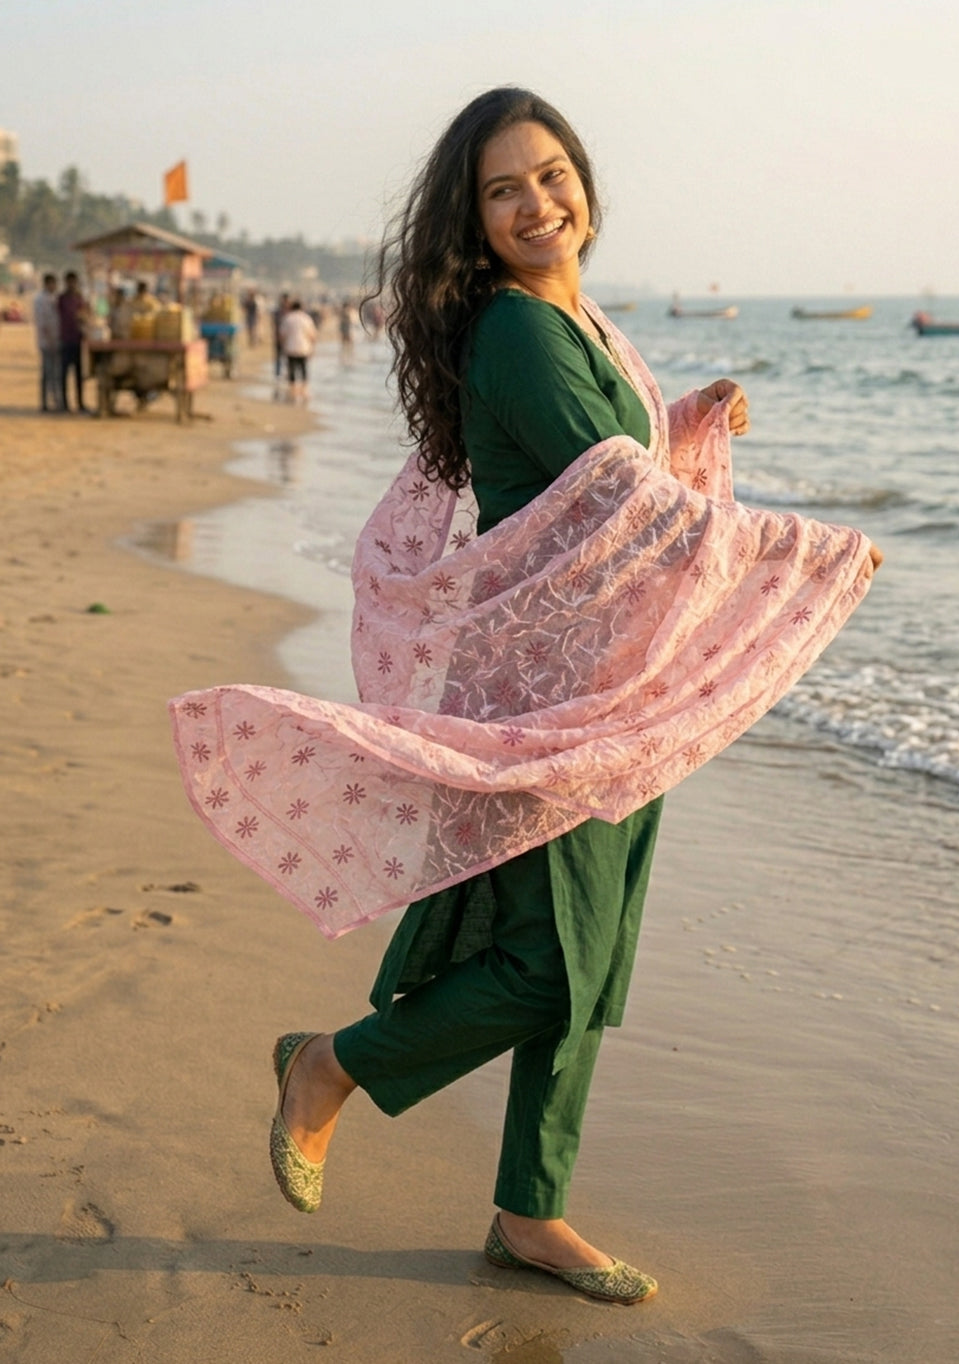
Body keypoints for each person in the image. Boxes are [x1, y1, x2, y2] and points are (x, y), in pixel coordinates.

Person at [171, 88, 880, 1307]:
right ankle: (331, 1066)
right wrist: (801, 551)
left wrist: (689, 420)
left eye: (550, 175)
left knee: (588, 965)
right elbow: (624, 512)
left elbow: (621, 464)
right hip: (549, 701)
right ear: (475, 221)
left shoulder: (580, 320)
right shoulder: (513, 331)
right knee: (550, 966)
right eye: (505, 190)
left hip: (618, 695)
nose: (537, 202)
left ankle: (530, 1208)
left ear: (583, 180)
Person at [57, 270, 89, 413]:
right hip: (65, 339)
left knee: (79, 374)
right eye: (69, 282)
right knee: (64, 374)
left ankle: (80, 403)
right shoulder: (62, 299)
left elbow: (85, 315)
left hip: (78, 339)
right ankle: (64, 403)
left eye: (73, 282)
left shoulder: (79, 298)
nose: (72, 284)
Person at [278, 299, 318, 402]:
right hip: (304, 348)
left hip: (290, 347)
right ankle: (304, 390)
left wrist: (283, 345)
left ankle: (293, 390)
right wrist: (313, 347)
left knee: (292, 369)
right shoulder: (306, 318)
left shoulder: (287, 318)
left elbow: (282, 334)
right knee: (303, 369)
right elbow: (312, 334)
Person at [32, 273, 61, 412]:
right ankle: (45, 402)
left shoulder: (54, 297)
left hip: (56, 340)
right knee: (47, 372)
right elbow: (42, 323)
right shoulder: (40, 299)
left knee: (55, 373)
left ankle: (55, 400)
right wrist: (50, 341)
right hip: (47, 342)